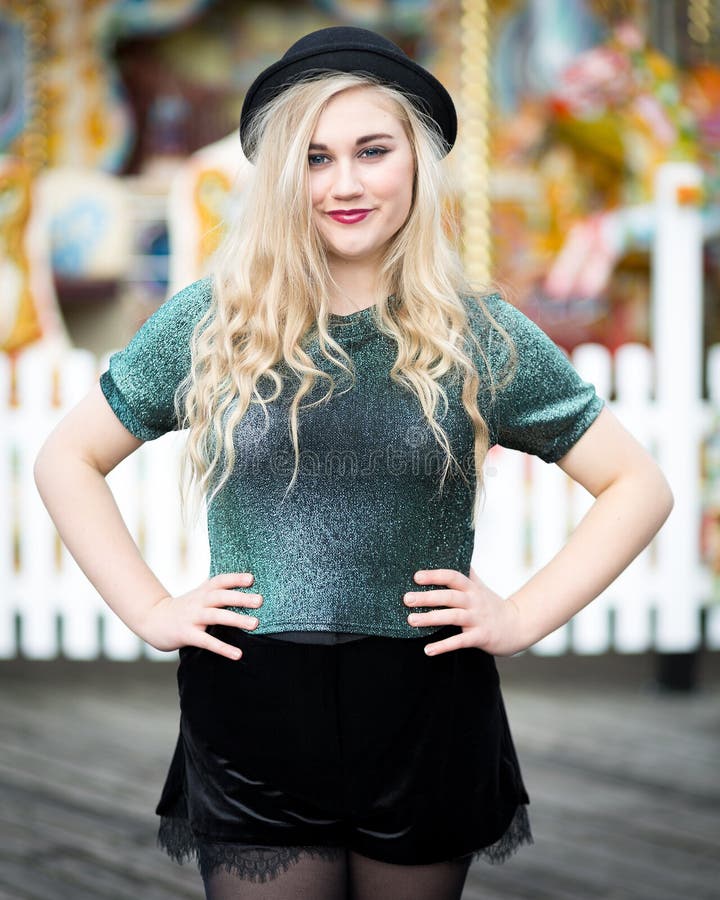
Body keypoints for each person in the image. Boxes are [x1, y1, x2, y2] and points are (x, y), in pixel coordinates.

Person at [33, 25, 674, 900]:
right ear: (281, 175)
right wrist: (148, 607)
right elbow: (67, 458)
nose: (345, 183)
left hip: (425, 710)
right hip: (253, 711)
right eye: (315, 156)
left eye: (373, 151)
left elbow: (638, 484)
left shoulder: (476, 332)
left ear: (416, 159)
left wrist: (522, 615)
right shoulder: (212, 321)